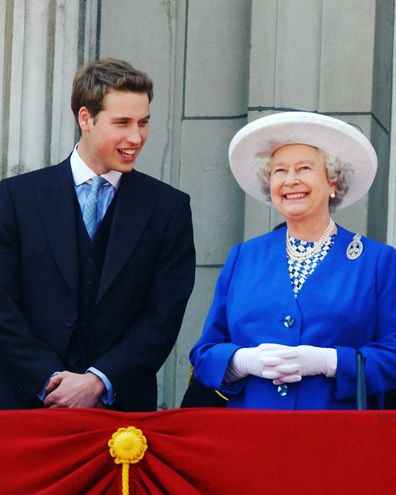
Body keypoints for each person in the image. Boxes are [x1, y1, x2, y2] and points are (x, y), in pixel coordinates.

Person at [0, 58, 195, 411]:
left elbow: (163, 316)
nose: (136, 137)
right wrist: (48, 381)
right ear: (85, 119)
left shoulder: (169, 208)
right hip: (21, 406)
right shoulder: (13, 199)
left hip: (120, 410)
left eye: (144, 123)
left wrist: (98, 381)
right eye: (122, 123)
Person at [189, 111, 396, 410]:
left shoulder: (377, 262)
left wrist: (329, 361)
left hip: (336, 438)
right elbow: (204, 355)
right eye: (279, 171)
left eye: (304, 168)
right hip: (251, 436)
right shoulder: (243, 257)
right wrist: (243, 361)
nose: (290, 181)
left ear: (333, 180)